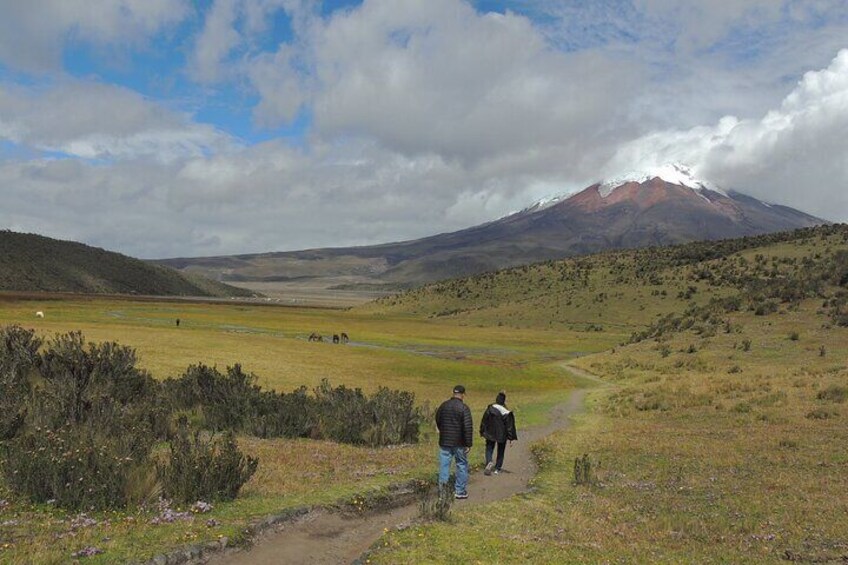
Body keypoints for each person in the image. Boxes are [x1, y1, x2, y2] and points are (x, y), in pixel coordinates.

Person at [435, 384, 473, 499]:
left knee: (444, 466)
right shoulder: (464, 408)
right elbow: (468, 427)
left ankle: (443, 492)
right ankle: (459, 491)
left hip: (445, 441)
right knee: (461, 464)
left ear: (453, 393)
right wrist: (468, 443)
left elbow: (438, 419)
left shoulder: (444, 406)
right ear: (463, 395)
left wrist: (443, 431)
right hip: (459, 442)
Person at [480, 391, 517, 475]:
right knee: (501, 451)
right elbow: (509, 426)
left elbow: (484, 420)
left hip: (490, 432)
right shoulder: (506, 412)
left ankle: (489, 461)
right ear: (503, 401)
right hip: (502, 434)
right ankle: (497, 468)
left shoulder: (490, 408)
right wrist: (511, 437)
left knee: (489, 448)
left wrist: (482, 431)